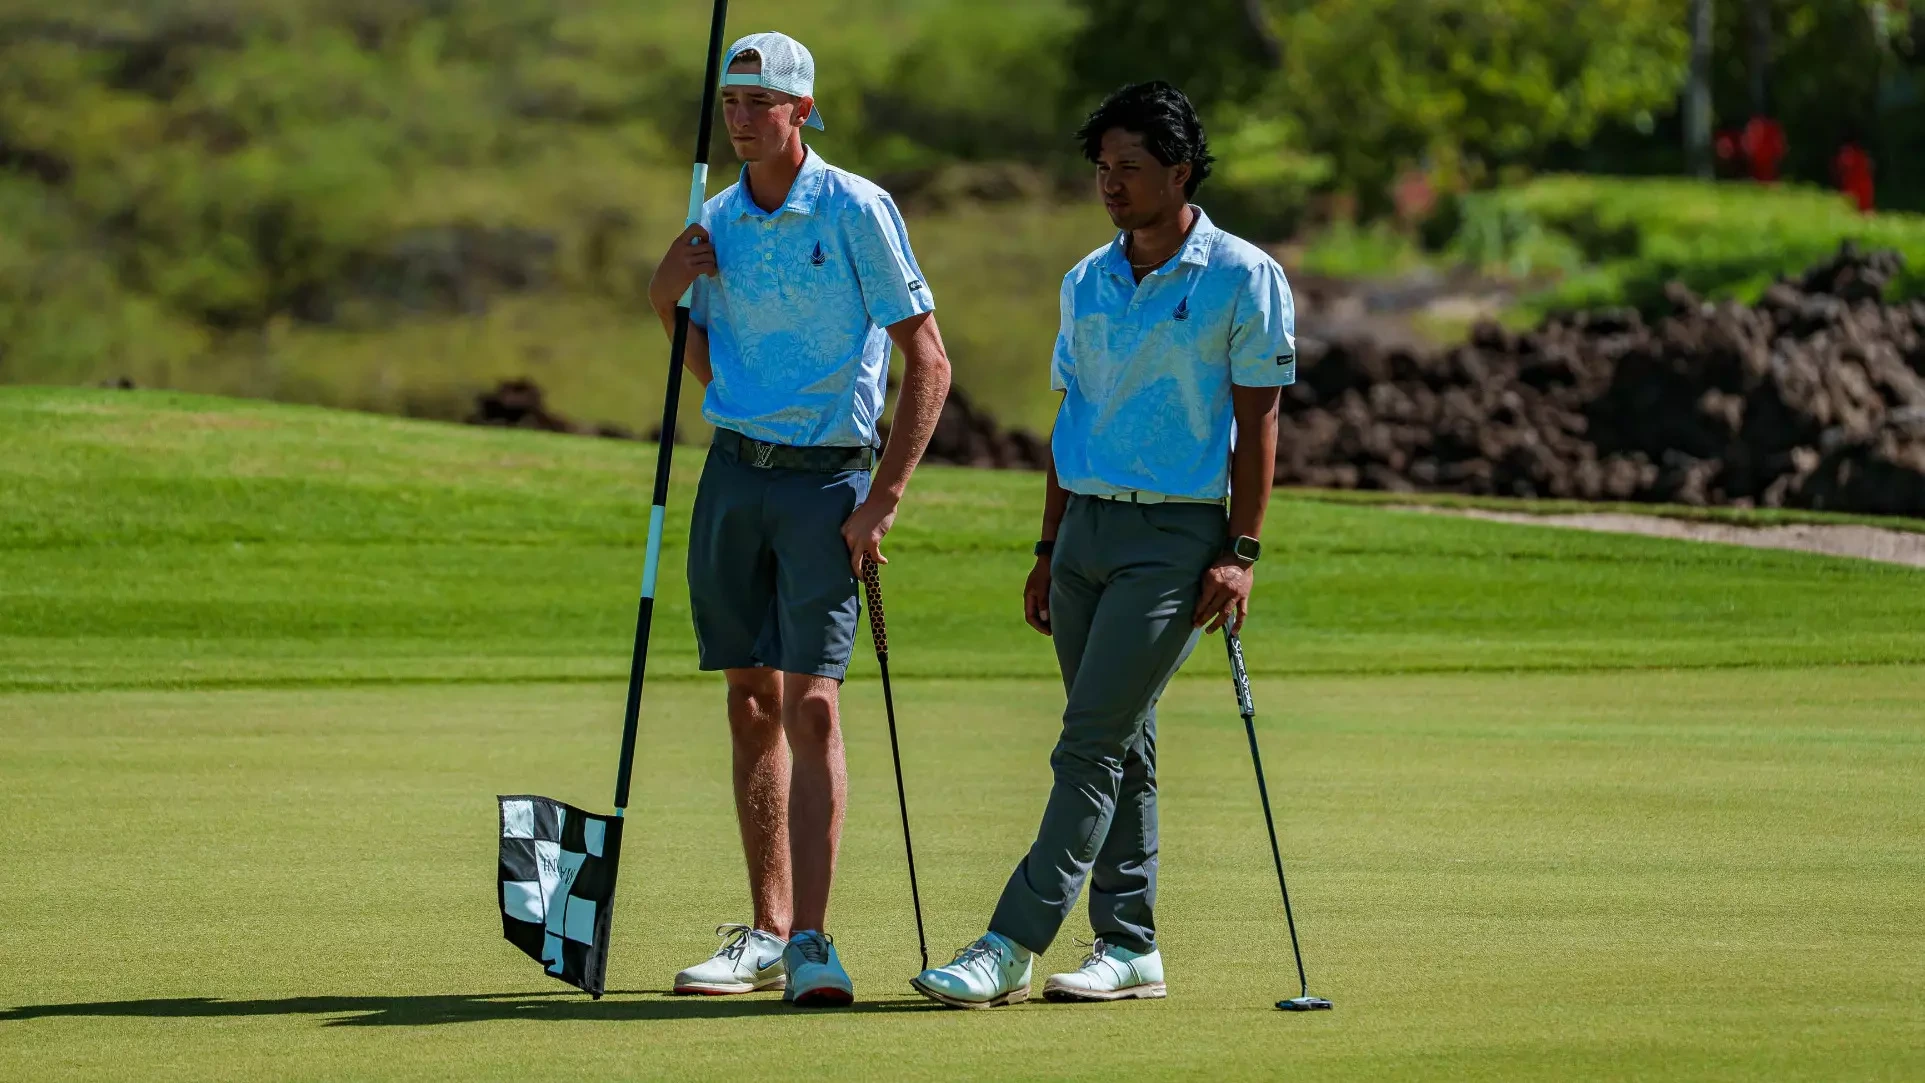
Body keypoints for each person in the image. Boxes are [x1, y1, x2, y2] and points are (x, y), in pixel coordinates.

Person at [910, 81, 1295, 1008]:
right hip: (1082, 530)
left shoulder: (1242, 275)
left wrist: (1240, 551)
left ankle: (1009, 941)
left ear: (1180, 172)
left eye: (1130, 168)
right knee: (1124, 739)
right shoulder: (1084, 279)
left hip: (1174, 536)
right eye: (1101, 169)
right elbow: (1070, 415)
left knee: (1086, 744)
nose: (1111, 185)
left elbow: (1261, 420)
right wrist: (1047, 547)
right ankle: (1129, 945)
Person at [646, 31, 951, 1007]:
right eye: (731, 101)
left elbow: (928, 362)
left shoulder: (856, 208)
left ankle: (814, 942)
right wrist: (664, 297)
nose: (741, 117)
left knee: (813, 701)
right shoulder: (716, 219)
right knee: (749, 700)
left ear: (801, 111)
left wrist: (883, 499)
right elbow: (702, 351)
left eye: (760, 101)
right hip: (734, 475)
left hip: (827, 485)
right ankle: (767, 931)